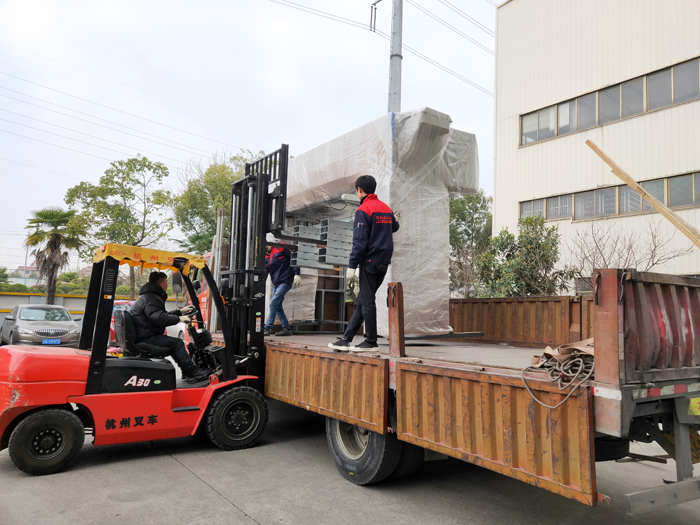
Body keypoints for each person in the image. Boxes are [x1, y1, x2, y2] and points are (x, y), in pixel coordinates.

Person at [329, 175, 399, 351]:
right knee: (362, 300)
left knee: (367, 302)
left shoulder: (363, 209)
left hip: (369, 262)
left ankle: (370, 342)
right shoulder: (385, 208)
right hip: (383, 262)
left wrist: (352, 266)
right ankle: (346, 339)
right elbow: (395, 227)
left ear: (359, 190)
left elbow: (359, 242)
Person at [130, 271, 211, 381]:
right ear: (161, 284)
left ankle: (187, 371)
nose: (167, 285)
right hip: (147, 337)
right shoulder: (151, 298)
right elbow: (157, 317)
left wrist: (180, 312)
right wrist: (179, 319)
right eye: (166, 282)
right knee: (177, 343)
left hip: (144, 335)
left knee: (173, 344)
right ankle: (191, 372)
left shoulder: (148, 296)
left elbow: (161, 315)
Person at [264, 244, 302, 336]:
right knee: (278, 306)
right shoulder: (266, 256)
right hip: (276, 283)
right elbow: (265, 271)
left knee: (273, 304)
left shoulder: (280, 248)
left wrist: (297, 273)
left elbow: (293, 259)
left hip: (285, 280)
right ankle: (287, 328)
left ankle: (267, 328)